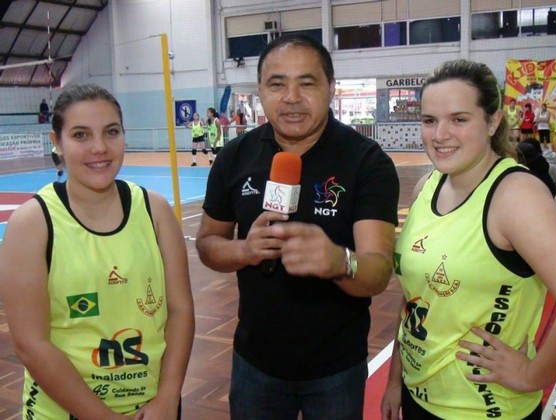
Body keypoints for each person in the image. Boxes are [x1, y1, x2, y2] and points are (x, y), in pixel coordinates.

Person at [196, 33, 399, 419]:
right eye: (277, 84)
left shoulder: (366, 162)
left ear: (330, 89)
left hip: (337, 368)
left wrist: (340, 261)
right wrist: (244, 250)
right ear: (260, 91)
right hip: (254, 362)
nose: (291, 97)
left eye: (307, 83)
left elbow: (378, 271)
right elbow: (207, 243)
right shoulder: (235, 157)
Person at [0, 84, 195, 419]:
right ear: (57, 143)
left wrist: (167, 396)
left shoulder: (155, 211)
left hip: (151, 408)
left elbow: (180, 310)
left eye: (111, 132)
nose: (100, 148)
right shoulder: (32, 224)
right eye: (80, 135)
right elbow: (31, 344)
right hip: (63, 411)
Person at [381, 59, 556, 420]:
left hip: (483, 410)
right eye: (430, 120)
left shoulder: (516, 196)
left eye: (459, 119)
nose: (440, 134)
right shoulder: (426, 187)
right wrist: (395, 379)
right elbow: (416, 295)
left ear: (492, 121)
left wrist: (532, 375)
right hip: (419, 398)